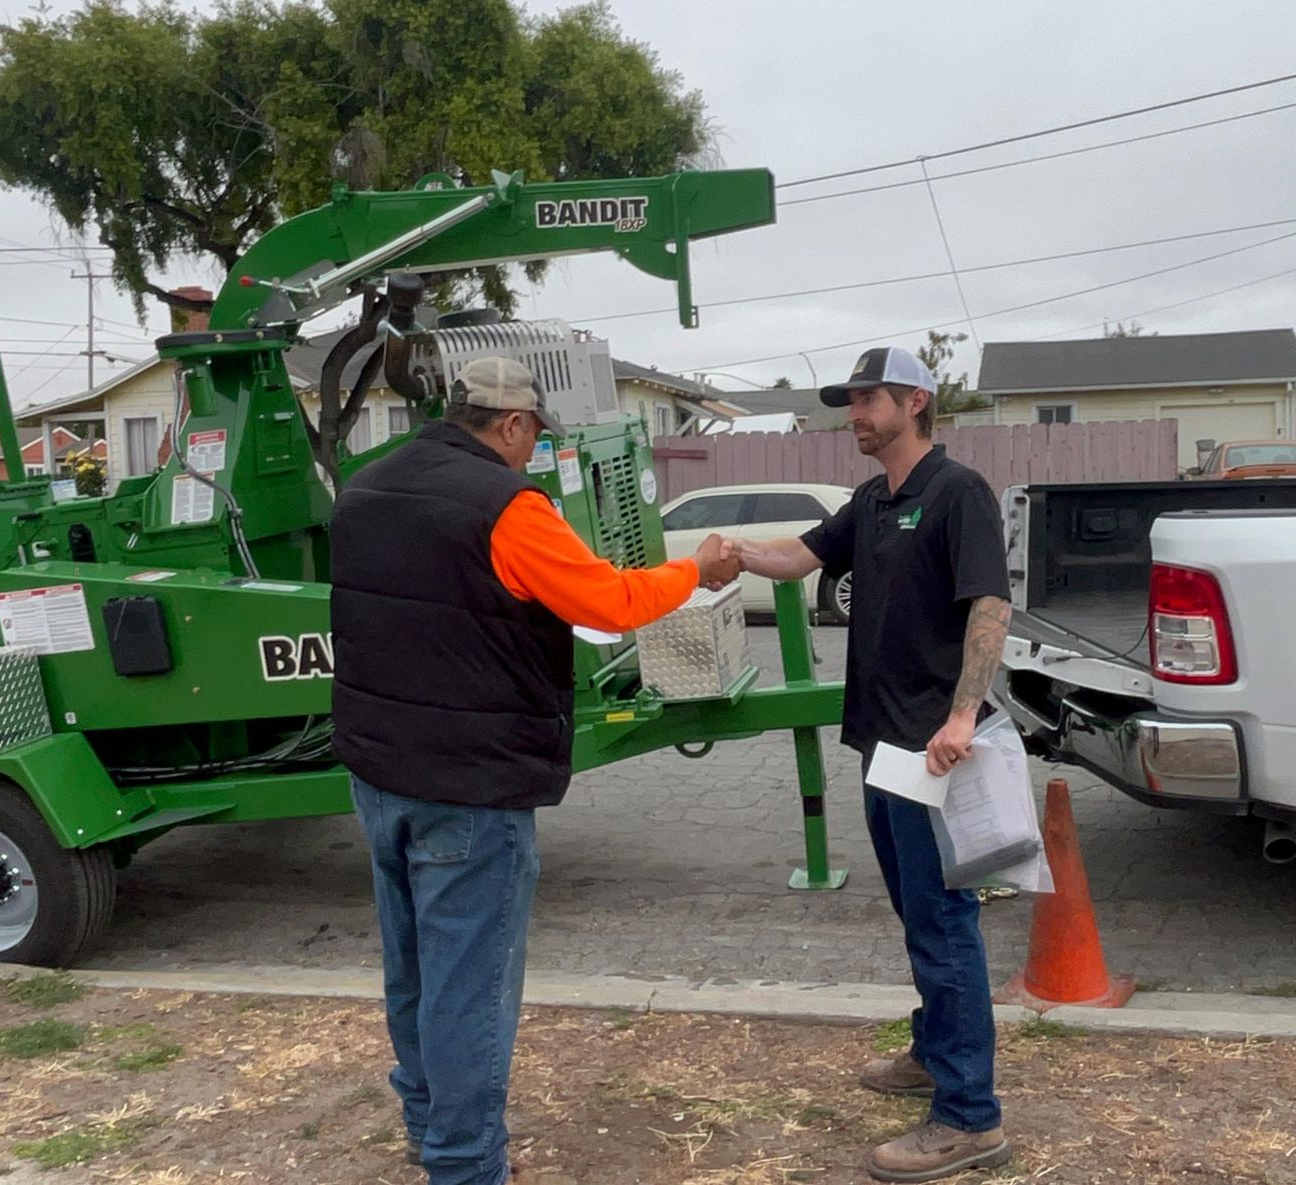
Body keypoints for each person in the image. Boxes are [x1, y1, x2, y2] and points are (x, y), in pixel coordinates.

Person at [330, 355, 740, 1185]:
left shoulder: (364, 487)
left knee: (410, 961)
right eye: (532, 436)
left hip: (378, 768)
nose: (531, 453)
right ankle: (465, 1163)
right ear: (512, 424)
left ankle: (423, 1118)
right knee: (468, 982)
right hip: (470, 787)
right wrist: (700, 569)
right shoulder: (508, 506)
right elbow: (611, 603)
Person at [728, 344, 1014, 1182]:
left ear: (915, 400)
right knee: (915, 913)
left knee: (944, 923)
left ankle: (970, 1117)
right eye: (850, 400)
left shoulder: (956, 493)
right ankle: (934, 1053)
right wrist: (736, 556)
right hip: (881, 747)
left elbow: (989, 605)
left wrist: (963, 713)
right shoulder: (874, 500)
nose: (853, 412)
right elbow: (804, 557)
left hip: (935, 749)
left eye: (868, 398)